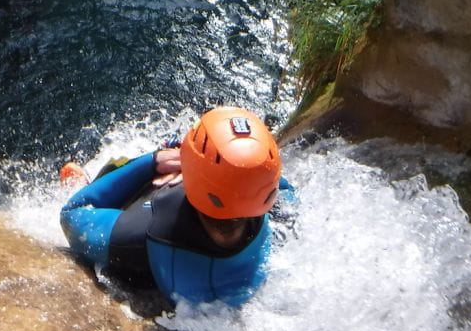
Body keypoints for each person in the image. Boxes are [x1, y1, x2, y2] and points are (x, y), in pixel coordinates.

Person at [59, 107, 294, 309]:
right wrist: (221, 176)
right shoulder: (281, 222)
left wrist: (151, 163)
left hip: (150, 269)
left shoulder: (142, 233)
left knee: (131, 172)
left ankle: (87, 182)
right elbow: (281, 187)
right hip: (212, 286)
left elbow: (74, 211)